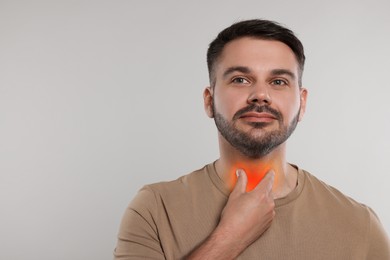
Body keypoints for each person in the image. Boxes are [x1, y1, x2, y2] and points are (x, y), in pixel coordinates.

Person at [113, 19, 390, 259]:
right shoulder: (154, 210)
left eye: (278, 81)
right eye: (240, 79)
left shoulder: (359, 225)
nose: (260, 94)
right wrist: (229, 239)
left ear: (302, 103)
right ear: (209, 101)